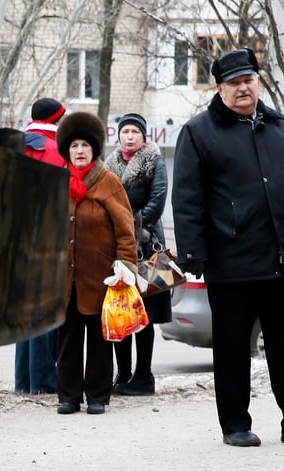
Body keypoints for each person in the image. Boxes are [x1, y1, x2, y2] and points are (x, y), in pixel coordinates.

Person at [172, 48, 284, 447]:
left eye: (249, 80)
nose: (244, 88)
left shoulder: (282, 128)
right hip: (232, 260)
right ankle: (235, 425)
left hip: (283, 259)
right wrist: (193, 252)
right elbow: (187, 197)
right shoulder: (198, 132)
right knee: (231, 348)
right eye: (234, 83)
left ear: (257, 82)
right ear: (220, 88)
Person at [54, 111, 137, 415]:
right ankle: (68, 395)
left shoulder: (107, 181)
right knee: (67, 339)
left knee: (101, 341)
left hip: (102, 277)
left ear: (94, 150)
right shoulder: (57, 181)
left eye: (85, 146)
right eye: (74, 146)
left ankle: (98, 396)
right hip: (66, 277)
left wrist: (127, 266)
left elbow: (125, 229)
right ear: (67, 150)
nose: (79, 151)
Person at [104, 112, 171, 396]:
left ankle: (144, 376)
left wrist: (128, 225)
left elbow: (157, 202)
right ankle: (125, 373)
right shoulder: (109, 165)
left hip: (147, 244)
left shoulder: (154, 161)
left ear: (144, 137)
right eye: (125, 131)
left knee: (145, 312)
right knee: (120, 307)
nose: (129, 136)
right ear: (118, 136)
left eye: (135, 132)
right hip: (118, 247)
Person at [14, 97, 67, 395]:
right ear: (56, 120)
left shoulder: (17, 146)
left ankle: (24, 381)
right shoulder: (58, 149)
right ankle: (43, 382)